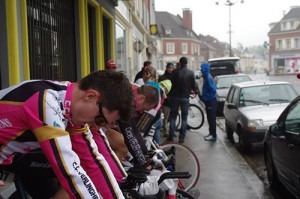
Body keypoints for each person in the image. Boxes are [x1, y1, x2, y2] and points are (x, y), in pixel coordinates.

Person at [0, 70, 134, 198]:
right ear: (90, 96)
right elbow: (70, 170)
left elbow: (94, 162)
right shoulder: (45, 100)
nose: (97, 127)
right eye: (100, 120)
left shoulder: (69, 107)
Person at [167, 57, 197, 144]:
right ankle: (181, 138)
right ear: (187, 63)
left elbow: (170, 83)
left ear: (179, 62)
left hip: (175, 96)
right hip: (185, 97)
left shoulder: (175, 72)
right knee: (184, 118)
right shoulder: (190, 73)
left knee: (173, 116)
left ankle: (171, 136)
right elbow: (194, 86)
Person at [199, 63, 217, 142]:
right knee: (209, 118)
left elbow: (213, 90)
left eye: (201, 69)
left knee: (211, 119)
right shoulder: (206, 77)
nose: (201, 71)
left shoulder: (208, 78)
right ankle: (211, 133)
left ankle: (213, 136)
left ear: (204, 70)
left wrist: (206, 97)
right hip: (209, 101)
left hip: (211, 101)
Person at [158, 63, 174, 137]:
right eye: (169, 68)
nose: (170, 69)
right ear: (166, 68)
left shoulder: (174, 76)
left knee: (171, 117)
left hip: (172, 99)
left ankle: (169, 130)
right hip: (166, 99)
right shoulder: (162, 77)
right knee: (166, 117)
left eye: (172, 68)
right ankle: (166, 131)